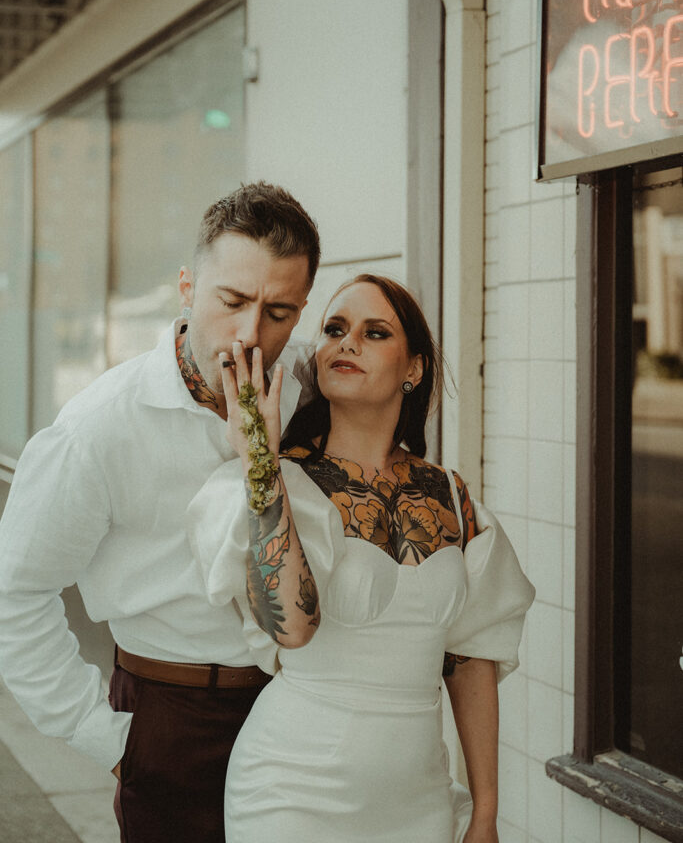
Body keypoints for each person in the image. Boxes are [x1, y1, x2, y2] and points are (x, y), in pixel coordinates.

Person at [0, 182, 322, 843]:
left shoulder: (312, 392)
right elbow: (16, 593)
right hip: (171, 718)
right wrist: (106, 737)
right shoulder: (97, 429)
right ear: (186, 287)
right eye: (230, 301)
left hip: (306, 707)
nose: (249, 333)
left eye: (278, 311)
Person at [187, 274, 536, 843]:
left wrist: (486, 810)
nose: (346, 342)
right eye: (334, 329)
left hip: (419, 798)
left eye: (374, 332)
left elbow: (471, 658)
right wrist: (258, 456)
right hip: (291, 790)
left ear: (414, 368)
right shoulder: (280, 482)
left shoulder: (451, 495)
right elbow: (292, 627)